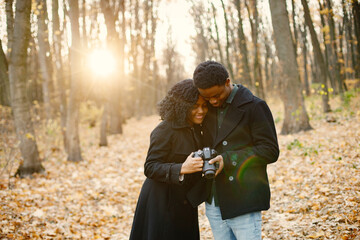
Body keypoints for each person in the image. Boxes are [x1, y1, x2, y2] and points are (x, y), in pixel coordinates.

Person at [191, 60, 279, 240]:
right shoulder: (207, 109)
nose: (213, 101)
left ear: (227, 82)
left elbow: (270, 150)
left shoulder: (255, 106)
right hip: (214, 202)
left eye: (217, 95)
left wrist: (229, 159)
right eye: (208, 98)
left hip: (244, 200)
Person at [129, 79, 208, 240]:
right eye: (195, 106)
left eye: (204, 106)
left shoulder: (196, 129)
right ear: (183, 106)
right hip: (161, 202)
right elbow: (150, 167)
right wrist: (181, 168)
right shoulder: (165, 129)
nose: (201, 110)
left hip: (185, 202)